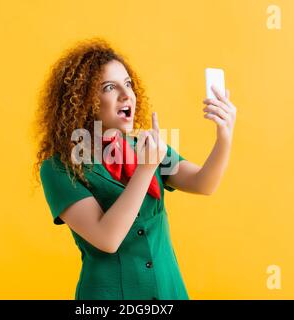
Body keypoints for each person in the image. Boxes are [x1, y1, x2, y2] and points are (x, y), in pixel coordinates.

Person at [33, 38, 237, 300]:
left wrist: (225, 136)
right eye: (109, 87)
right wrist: (145, 169)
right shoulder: (59, 168)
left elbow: (203, 183)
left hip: (168, 292)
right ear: (83, 100)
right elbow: (107, 238)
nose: (126, 94)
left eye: (128, 84)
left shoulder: (145, 145)